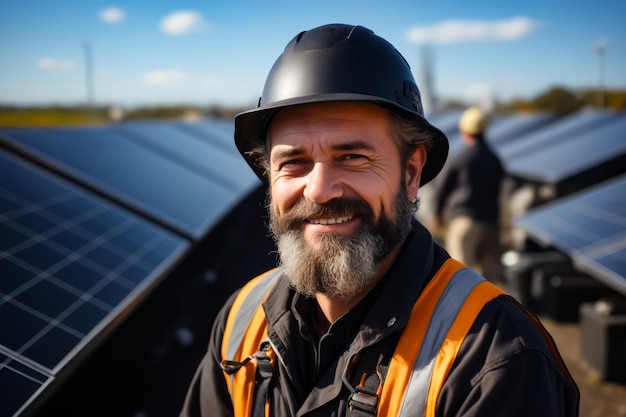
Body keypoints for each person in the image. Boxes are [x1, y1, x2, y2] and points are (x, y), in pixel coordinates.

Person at [180, 24, 579, 417]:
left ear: (410, 173)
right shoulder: (242, 319)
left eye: (351, 157)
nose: (319, 190)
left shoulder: (494, 358)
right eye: (294, 163)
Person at [430, 107, 506, 284]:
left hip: (465, 223)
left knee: (461, 277)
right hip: (492, 223)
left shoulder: (461, 158)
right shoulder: (495, 159)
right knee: (490, 280)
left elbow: (442, 188)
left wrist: (436, 214)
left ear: (465, 132)